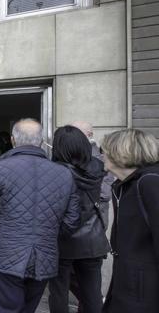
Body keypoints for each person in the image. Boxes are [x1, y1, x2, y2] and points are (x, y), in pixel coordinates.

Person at [0, 118, 80, 313]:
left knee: (6, 308)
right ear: (40, 141)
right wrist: (47, 234)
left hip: (8, 254)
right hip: (44, 256)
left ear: (13, 140)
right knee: (28, 308)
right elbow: (73, 220)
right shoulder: (64, 173)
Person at [46, 126, 110, 313]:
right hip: (93, 239)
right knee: (92, 294)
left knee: (58, 293)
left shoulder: (54, 171)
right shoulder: (98, 167)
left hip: (62, 240)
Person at [100, 129, 159, 312]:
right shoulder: (123, 186)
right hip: (127, 287)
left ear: (120, 153)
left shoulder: (150, 183)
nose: (102, 156)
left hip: (145, 295)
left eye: (105, 151)